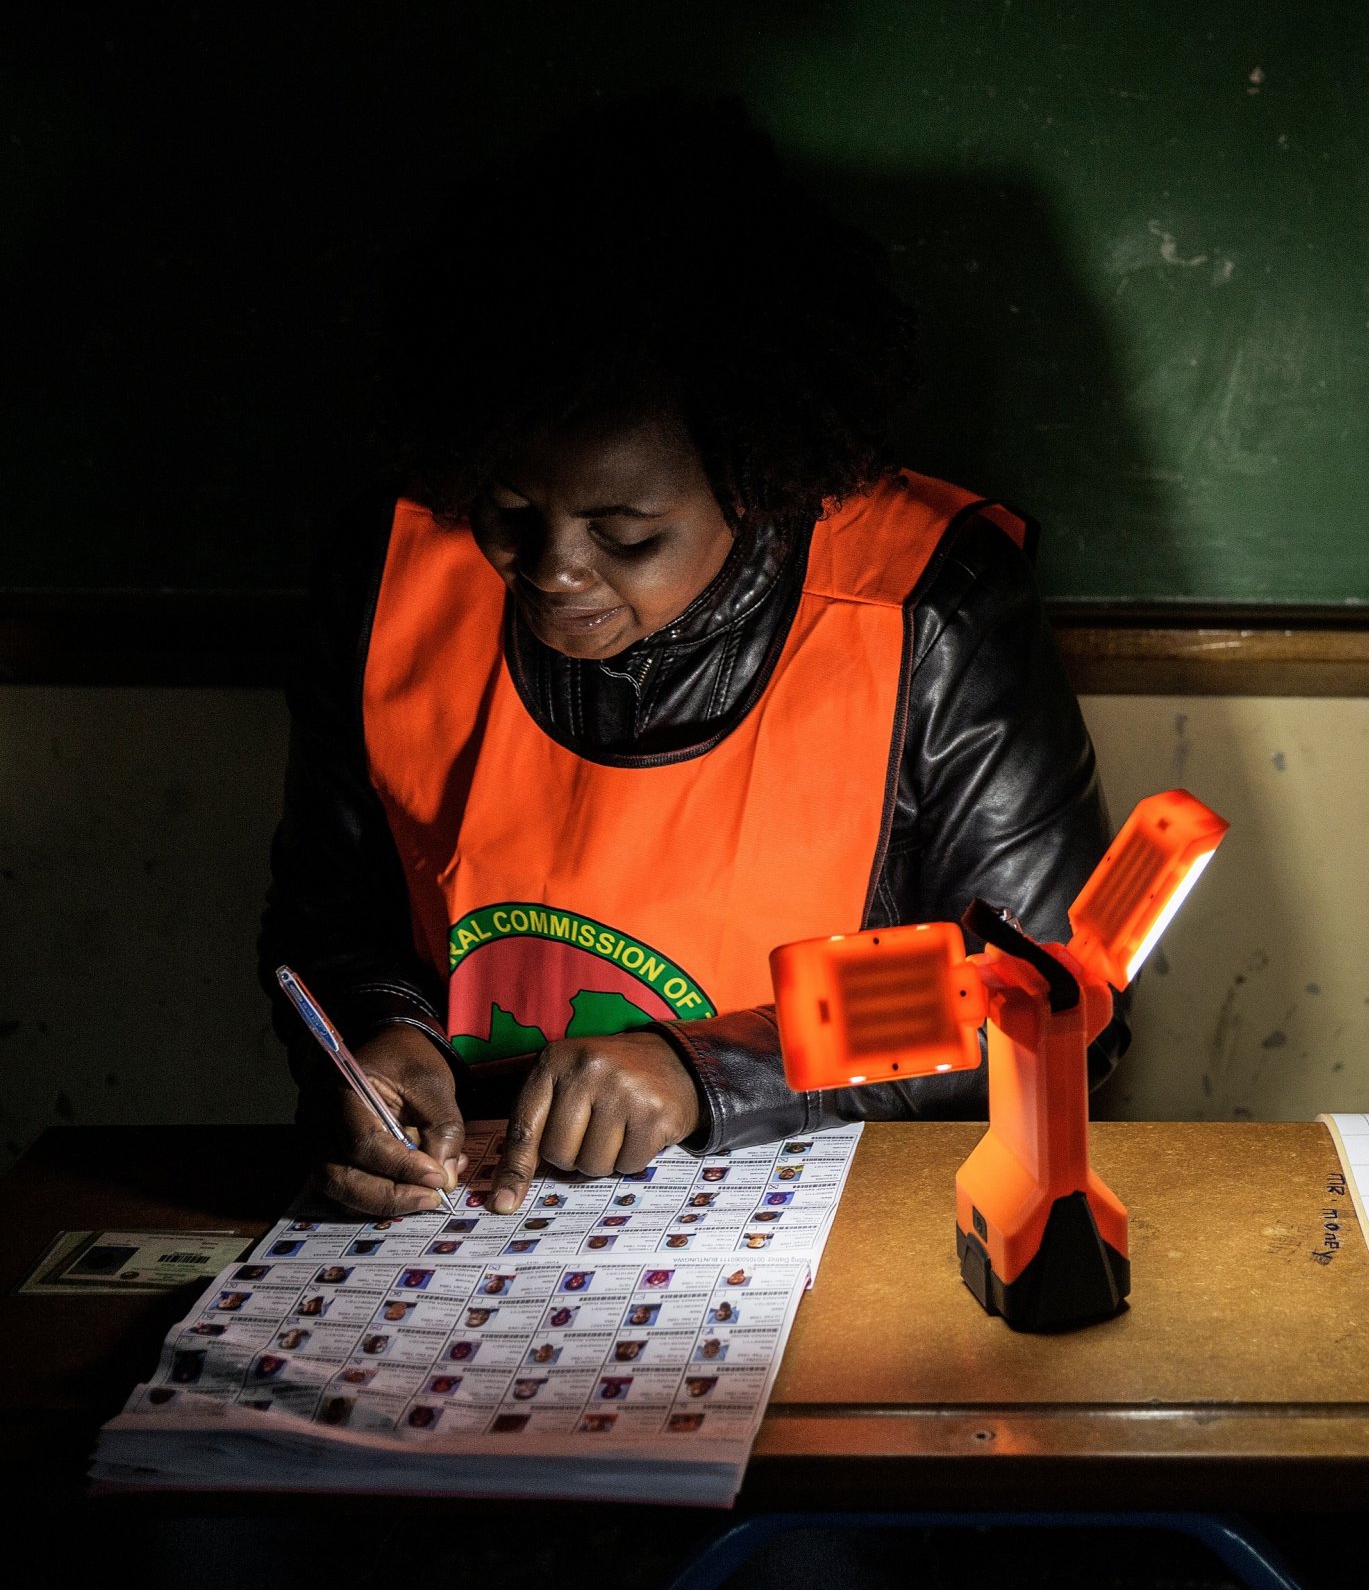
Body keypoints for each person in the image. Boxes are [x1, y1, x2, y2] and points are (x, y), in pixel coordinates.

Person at [260, 97, 1119, 1217]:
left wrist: (708, 1072)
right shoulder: (394, 567)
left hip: (828, 1235)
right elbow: (330, 913)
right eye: (509, 510)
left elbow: (1046, 991)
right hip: (474, 1229)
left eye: (627, 534)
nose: (553, 571)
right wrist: (380, 1031)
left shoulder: (926, 603)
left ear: (759, 480)